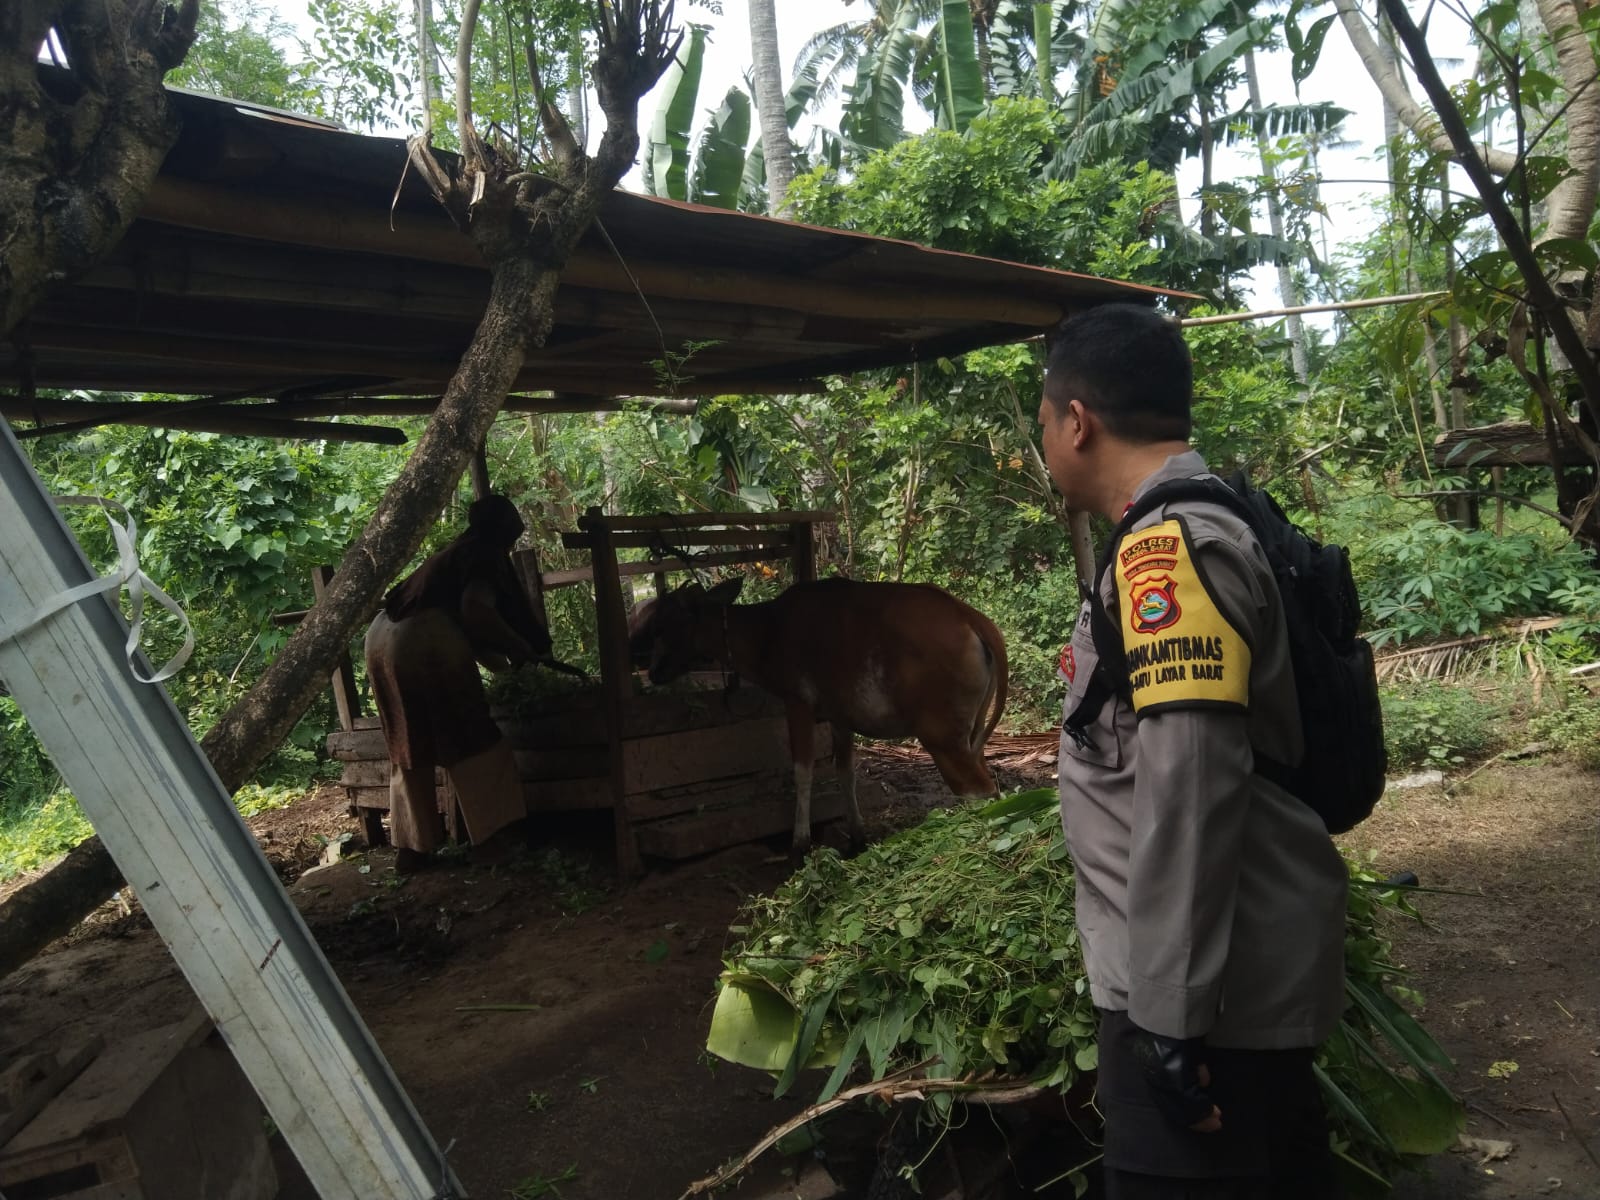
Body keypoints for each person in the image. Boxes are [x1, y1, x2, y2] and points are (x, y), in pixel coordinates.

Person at [1037, 304, 1348, 1199]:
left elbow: (1193, 787)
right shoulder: (1193, 523)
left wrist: (1168, 1022)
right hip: (1231, 977)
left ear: (1078, 421)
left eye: (1044, 417)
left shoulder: (1169, 550)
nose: (1046, 436)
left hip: (1209, 1005)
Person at [364, 494, 552, 874]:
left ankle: (412, 849)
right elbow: (476, 611)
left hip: (381, 638)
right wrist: (522, 648)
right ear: (505, 530)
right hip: (425, 639)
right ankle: (493, 840)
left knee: (408, 745)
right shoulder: (485, 555)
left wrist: (506, 662)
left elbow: (470, 630)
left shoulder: (454, 553)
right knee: (475, 741)